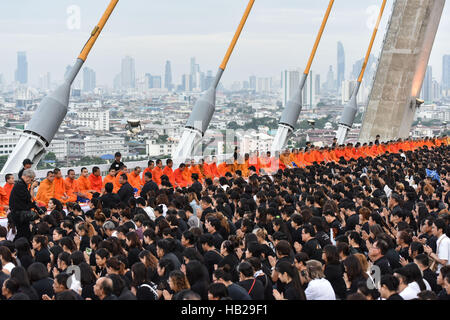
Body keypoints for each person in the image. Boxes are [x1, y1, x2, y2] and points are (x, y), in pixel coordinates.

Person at [8, 169, 40, 241]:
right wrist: (32, 187)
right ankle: (15, 248)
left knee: (24, 233)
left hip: (19, 213)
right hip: (19, 214)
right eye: (31, 180)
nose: (31, 182)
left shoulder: (21, 184)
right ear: (27, 177)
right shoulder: (20, 185)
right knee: (23, 234)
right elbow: (29, 199)